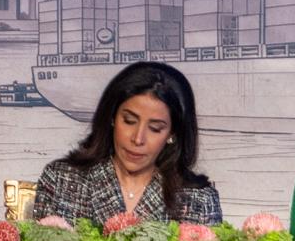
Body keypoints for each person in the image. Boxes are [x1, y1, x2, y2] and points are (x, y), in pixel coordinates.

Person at [32, 61, 221, 225]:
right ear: (112, 117)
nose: (138, 139)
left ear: (172, 133)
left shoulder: (199, 200)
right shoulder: (61, 180)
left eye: (155, 128)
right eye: (129, 121)